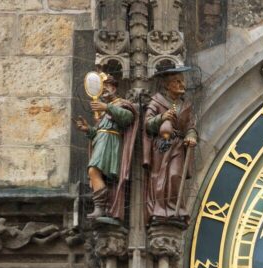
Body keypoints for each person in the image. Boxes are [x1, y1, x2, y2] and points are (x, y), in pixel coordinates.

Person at [74, 74, 138, 222]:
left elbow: (128, 117)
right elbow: (99, 132)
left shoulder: (121, 103)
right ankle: (102, 207)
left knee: (93, 170)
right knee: (95, 172)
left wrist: (107, 107)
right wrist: (88, 130)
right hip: (102, 141)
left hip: (111, 143)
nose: (103, 91)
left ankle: (100, 207)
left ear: (114, 88)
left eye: (106, 87)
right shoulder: (103, 112)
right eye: (101, 89)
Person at [144, 65, 198, 222]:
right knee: (160, 177)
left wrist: (191, 136)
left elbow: (191, 126)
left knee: (175, 175)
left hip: (178, 146)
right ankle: (160, 209)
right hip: (162, 146)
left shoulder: (185, 105)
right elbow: (147, 123)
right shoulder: (156, 101)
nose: (182, 85)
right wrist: (162, 118)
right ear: (167, 85)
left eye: (183, 81)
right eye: (177, 82)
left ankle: (175, 208)